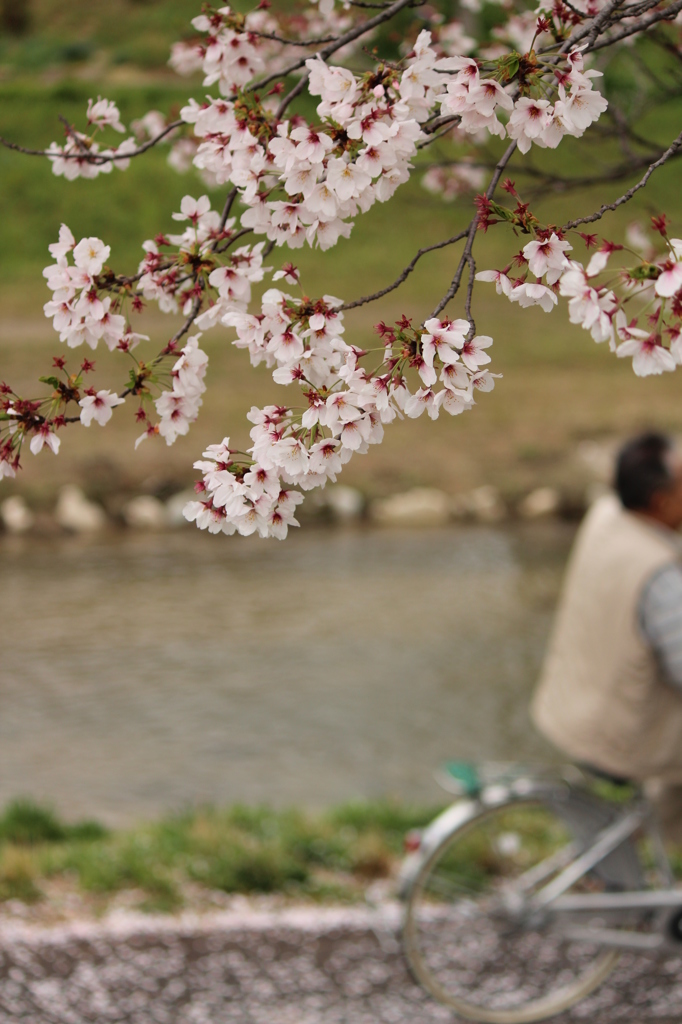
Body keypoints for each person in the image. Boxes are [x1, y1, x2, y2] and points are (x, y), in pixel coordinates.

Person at [532, 432, 682, 841]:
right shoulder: (659, 575)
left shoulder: (605, 517)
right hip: (623, 738)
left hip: (572, 710)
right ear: (660, 501)